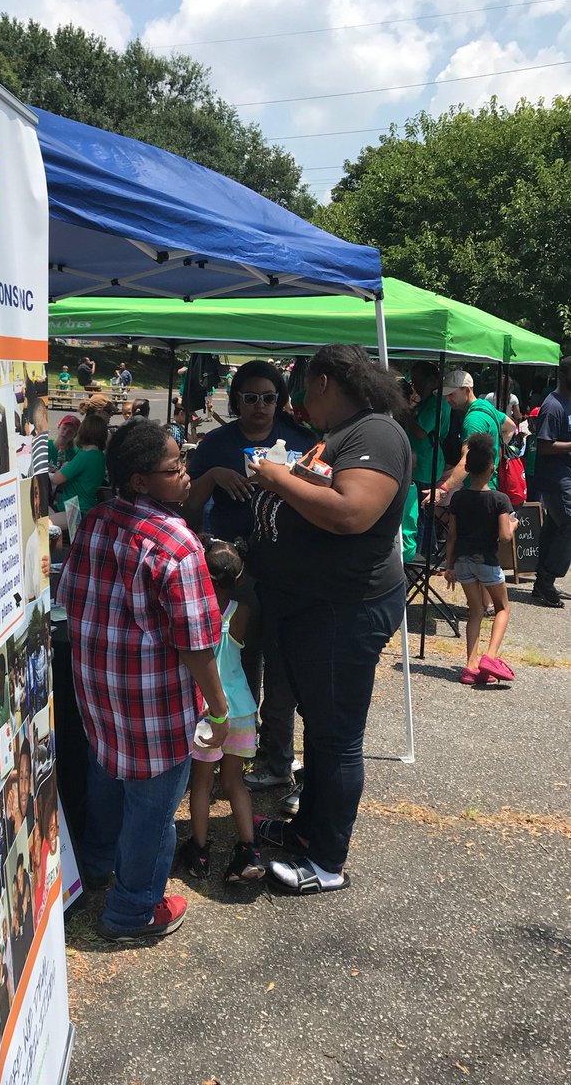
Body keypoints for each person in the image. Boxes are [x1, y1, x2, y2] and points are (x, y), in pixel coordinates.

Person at [248, 344, 411, 895]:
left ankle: (326, 863)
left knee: (337, 736)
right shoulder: (343, 434)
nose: (297, 404)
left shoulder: (376, 435)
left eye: (298, 390)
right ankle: (305, 833)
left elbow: (351, 512)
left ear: (321, 382)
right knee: (319, 730)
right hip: (317, 607)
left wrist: (274, 477)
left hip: (348, 608)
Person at [57, 420, 228, 941]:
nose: (185, 473)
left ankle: (95, 866)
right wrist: (219, 711)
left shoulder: (95, 519)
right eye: (173, 468)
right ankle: (132, 911)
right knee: (152, 813)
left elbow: (70, 595)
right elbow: (196, 642)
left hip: (97, 693)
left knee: (106, 781)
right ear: (138, 480)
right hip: (154, 706)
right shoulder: (178, 544)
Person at [185, 359, 314, 795]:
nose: (260, 406)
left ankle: (275, 756)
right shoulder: (216, 443)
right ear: (235, 399)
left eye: (269, 398)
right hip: (229, 570)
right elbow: (186, 509)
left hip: (286, 567)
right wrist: (212, 477)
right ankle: (224, 752)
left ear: (281, 400)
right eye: (250, 397)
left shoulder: (302, 441)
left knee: (280, 665)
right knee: (233, 659)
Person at [180, 537, 265, 884]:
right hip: (242, 710)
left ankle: (198, 851)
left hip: (208, 713)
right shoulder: (240, 612)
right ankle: (248, 849)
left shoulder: (195, 614)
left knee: (201, 785)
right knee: (235, 782)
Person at [443, 433, 517, 685]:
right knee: (502, 608)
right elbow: (505, 536)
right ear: (491, 467)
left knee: (475, 611)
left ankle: (470, 666)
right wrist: (514, 524)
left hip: (462, 561)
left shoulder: (459, 497)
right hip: (487, 560)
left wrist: (448, 566)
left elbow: (451, 536)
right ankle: (490, 656)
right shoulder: (499, 499)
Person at [431, 370, 514, 499]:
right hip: (490, 486)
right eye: (445, 395)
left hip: (478, 492)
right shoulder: (485, 406)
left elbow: (466, 461)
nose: (447, 399)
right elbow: (510, 427)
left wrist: (442, 490)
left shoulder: (473, 420)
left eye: (451, 394)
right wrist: (493, 450)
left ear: (467, 390)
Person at [531, 356, 571, 607]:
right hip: (554, 478)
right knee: (568, 524)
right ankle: (547, 579)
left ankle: (541, 582)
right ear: (565, 374)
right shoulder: (552, 405)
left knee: (555, 527)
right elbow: (545, 446)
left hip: (566, 475)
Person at [406, 361, 451, 553]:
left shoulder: (436, 403)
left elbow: (420, 432)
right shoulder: (425, 402)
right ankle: (426, 551)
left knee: (421, 513)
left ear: (433, 380)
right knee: (420, 513)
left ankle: (424, 554)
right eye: (413, 382)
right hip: (419, 462)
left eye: (419, 381)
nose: (415, 386)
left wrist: (403, 412)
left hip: (425, 464)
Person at [50, 410, 108, 529]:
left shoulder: (85, 456)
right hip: (86, 507)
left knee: (42, 525)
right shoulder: (99, 456)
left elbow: (56, 479)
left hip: (75, 509)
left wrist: (65, 468)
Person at [23, 476, 48, 602]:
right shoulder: (32, 542)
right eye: (35, 494)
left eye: (39, 493)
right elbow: (30, 595)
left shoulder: (53, 532)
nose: (37, 501)